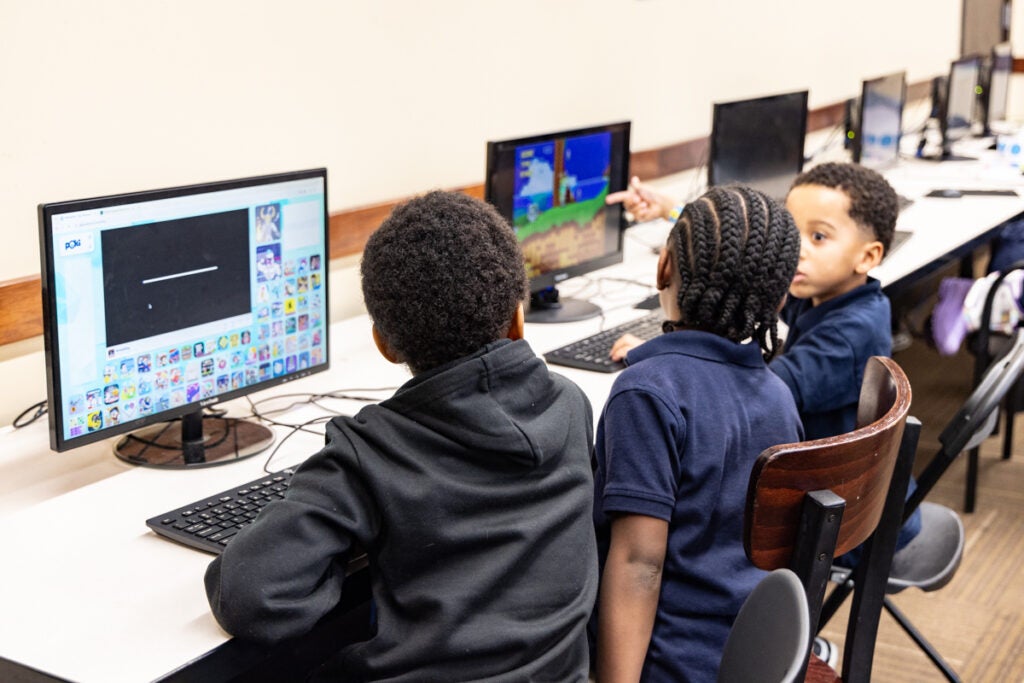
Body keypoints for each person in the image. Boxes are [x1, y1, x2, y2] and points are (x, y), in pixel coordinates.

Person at [205, 190, 598, 682]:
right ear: (519, 318)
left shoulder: (370, 451)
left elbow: (248, 597)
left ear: (384, 345)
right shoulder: (570, 404)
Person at [593, 186, 804, 681]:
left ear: (664, 266)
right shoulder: (779, 396)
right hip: (754, 651)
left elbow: (639, 566)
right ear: (779, 297)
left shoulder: (646, 393)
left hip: (668, 662)